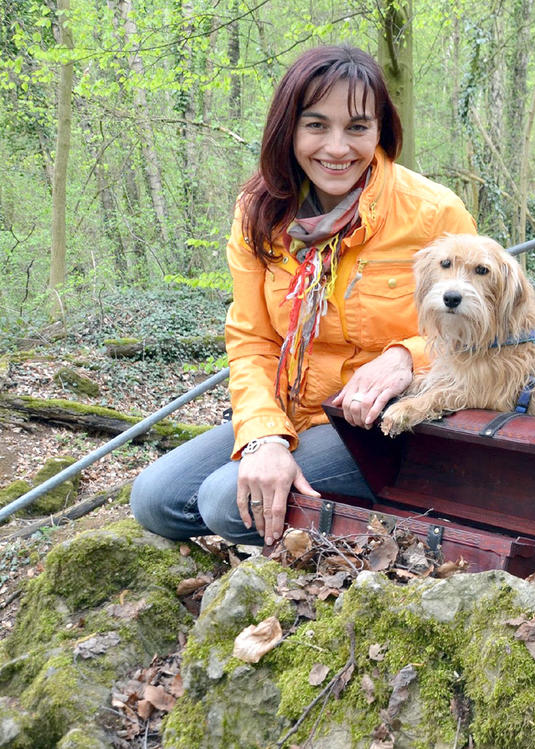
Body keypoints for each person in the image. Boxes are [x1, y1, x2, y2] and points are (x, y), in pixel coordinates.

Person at [131, 45, 476, 547]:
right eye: (316, 125)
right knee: (155, 499)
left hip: (386, 424)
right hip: (293, 413)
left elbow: (486, 328)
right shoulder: (259, 211)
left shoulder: (434, 212)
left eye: (357, 128)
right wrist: (264, 437)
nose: (337, 148)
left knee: (226, 504)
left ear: (381, 130)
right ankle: (320, 503)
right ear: (288, 128)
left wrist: (407, 356)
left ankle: (385, 517)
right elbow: (251, 340)